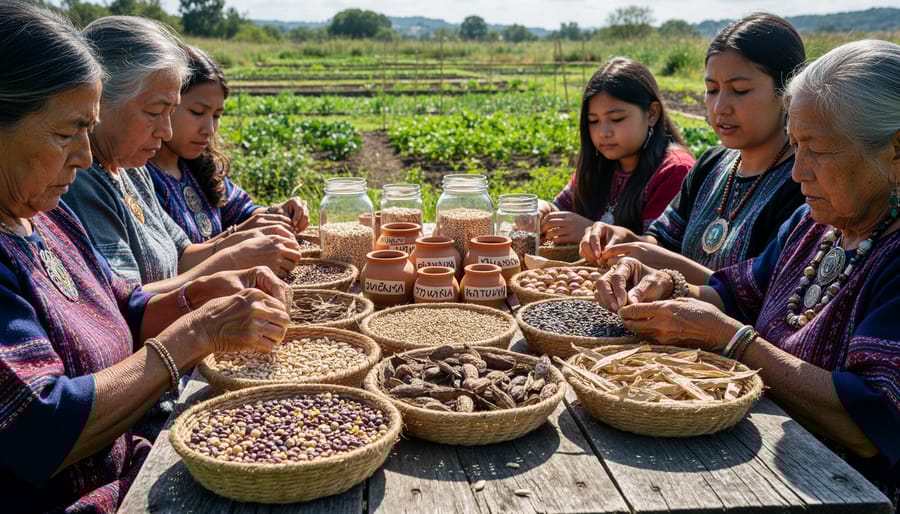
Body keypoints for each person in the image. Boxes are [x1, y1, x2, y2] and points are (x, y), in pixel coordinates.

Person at [0, 3, 291, 511]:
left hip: (132, 464)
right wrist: (197, 332)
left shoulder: (44, 215)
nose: (85, 156)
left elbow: (123, 306)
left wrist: (202, 294)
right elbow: (38, 427)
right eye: (67, 132)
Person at [594, 39, 900, 507]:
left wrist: (733, 341)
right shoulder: (813, 226)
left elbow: (869, 423)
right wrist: (662, 282)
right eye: (796, 146)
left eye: (818, 150)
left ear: (896, 152)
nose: (799, 173)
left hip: (850, 491)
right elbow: (735, 292)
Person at [62, 16, 303, 291]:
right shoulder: (80, 184)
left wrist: (243, 238)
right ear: (99, 100)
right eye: (154, 112)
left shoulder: (131, 169)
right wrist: (233, 257)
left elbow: (182, 255)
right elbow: (123, 303)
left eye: (169, 112)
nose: (165, 132)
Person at [581, 13, 806, 284]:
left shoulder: (802, 184)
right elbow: (662, 240)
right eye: (712, 90)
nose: (720, 107)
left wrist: (658, 260)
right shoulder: (711, 165)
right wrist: (626, 240)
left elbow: (762, 296)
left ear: (788, 93)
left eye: (741, 90)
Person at [146, 44, 310, 244]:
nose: (209, 129)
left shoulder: (199, 166)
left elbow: (240, 212)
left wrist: (275, 212)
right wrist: (236, 235)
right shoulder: (143, 178)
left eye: (217, 115)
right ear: (167, 106)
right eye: (197, 112)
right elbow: (171, 261)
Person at [539, 57, 694, 244]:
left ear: (652, 114)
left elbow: (661, 248)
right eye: (593, 121)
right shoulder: (600, 164)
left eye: (617, 118)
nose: (603, 132)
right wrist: (543, 209)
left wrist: (592, 233)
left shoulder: (674, 171)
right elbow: (560, 207)